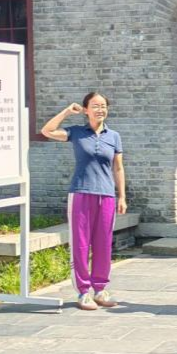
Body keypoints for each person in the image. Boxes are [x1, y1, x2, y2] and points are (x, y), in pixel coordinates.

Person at [40, 92, 127, 310]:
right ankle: (83, 292)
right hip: (81, 194)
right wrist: (67, 112)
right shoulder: (77, 133)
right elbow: (47, 131)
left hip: (106, 196)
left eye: (103, 106)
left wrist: (122, 196)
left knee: (103, 244)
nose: (100, 110)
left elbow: (118, 168)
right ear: (86, 110)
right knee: (80, 244)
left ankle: (100, 289)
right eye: (95, 106)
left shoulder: (114, 136)